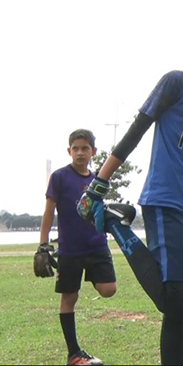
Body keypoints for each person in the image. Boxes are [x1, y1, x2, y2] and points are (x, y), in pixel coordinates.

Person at [76, 25, 183, 365]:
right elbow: (135, 131)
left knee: (182, 306)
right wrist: (99, 183)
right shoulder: (177, 83)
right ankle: (115, 223)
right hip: (165, 198)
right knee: (177, 298)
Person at [35, 130, 124, 366]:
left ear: (93, 152)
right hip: (70, 250)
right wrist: (43, 245)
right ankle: (74, 354)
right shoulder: (60, 177)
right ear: (69, 151)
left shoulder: (97, 180)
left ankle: (91, 276)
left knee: (109, 289)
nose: (80, 152)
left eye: (85, 148)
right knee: (69, 297)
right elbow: (48, 212)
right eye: (76, 148)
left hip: (96, 245)